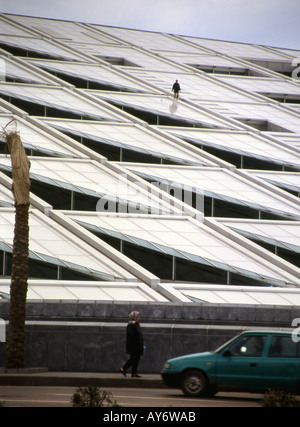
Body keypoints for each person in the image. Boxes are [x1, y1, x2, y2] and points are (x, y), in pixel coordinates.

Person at [120, 311, 144, 378]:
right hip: (133, 346)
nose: (139, 318)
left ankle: (134, 373)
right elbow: (132, 335)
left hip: (137, 345)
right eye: (138, 316)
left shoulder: (136, 324)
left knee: (136, 359)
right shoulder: (131, 324)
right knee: (133, 359)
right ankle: (123, 368)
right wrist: (138, 341)